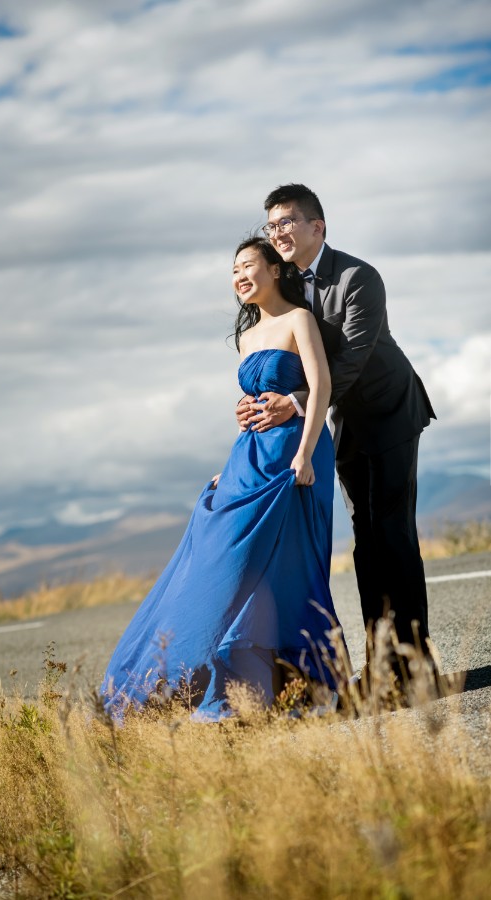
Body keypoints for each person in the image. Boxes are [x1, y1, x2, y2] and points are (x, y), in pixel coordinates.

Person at [101, 237, 345, 721]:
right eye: (233, 271)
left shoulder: (299, 320)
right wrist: (232, 457)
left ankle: (311, 683)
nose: (239, 277)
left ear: (275, 270)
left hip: (295, 454)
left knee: (290, 565)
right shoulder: (246, 337)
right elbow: (253, 406)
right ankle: (241, 685)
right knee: (234, 565)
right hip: (251, 456)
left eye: (248, 266)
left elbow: (321, 387)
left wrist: (304, 454)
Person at [237, 184, 435, 682]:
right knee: (366, 543)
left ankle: (418, 668)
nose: (277, 233)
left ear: (316, 227)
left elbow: (349, 359)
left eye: (286, 222)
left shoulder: (358, 277)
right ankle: (382, 667)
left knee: (392, 535)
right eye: (271, 225)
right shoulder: (290, 285)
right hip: (344, 422)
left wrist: (297, 402)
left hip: (391, 412)